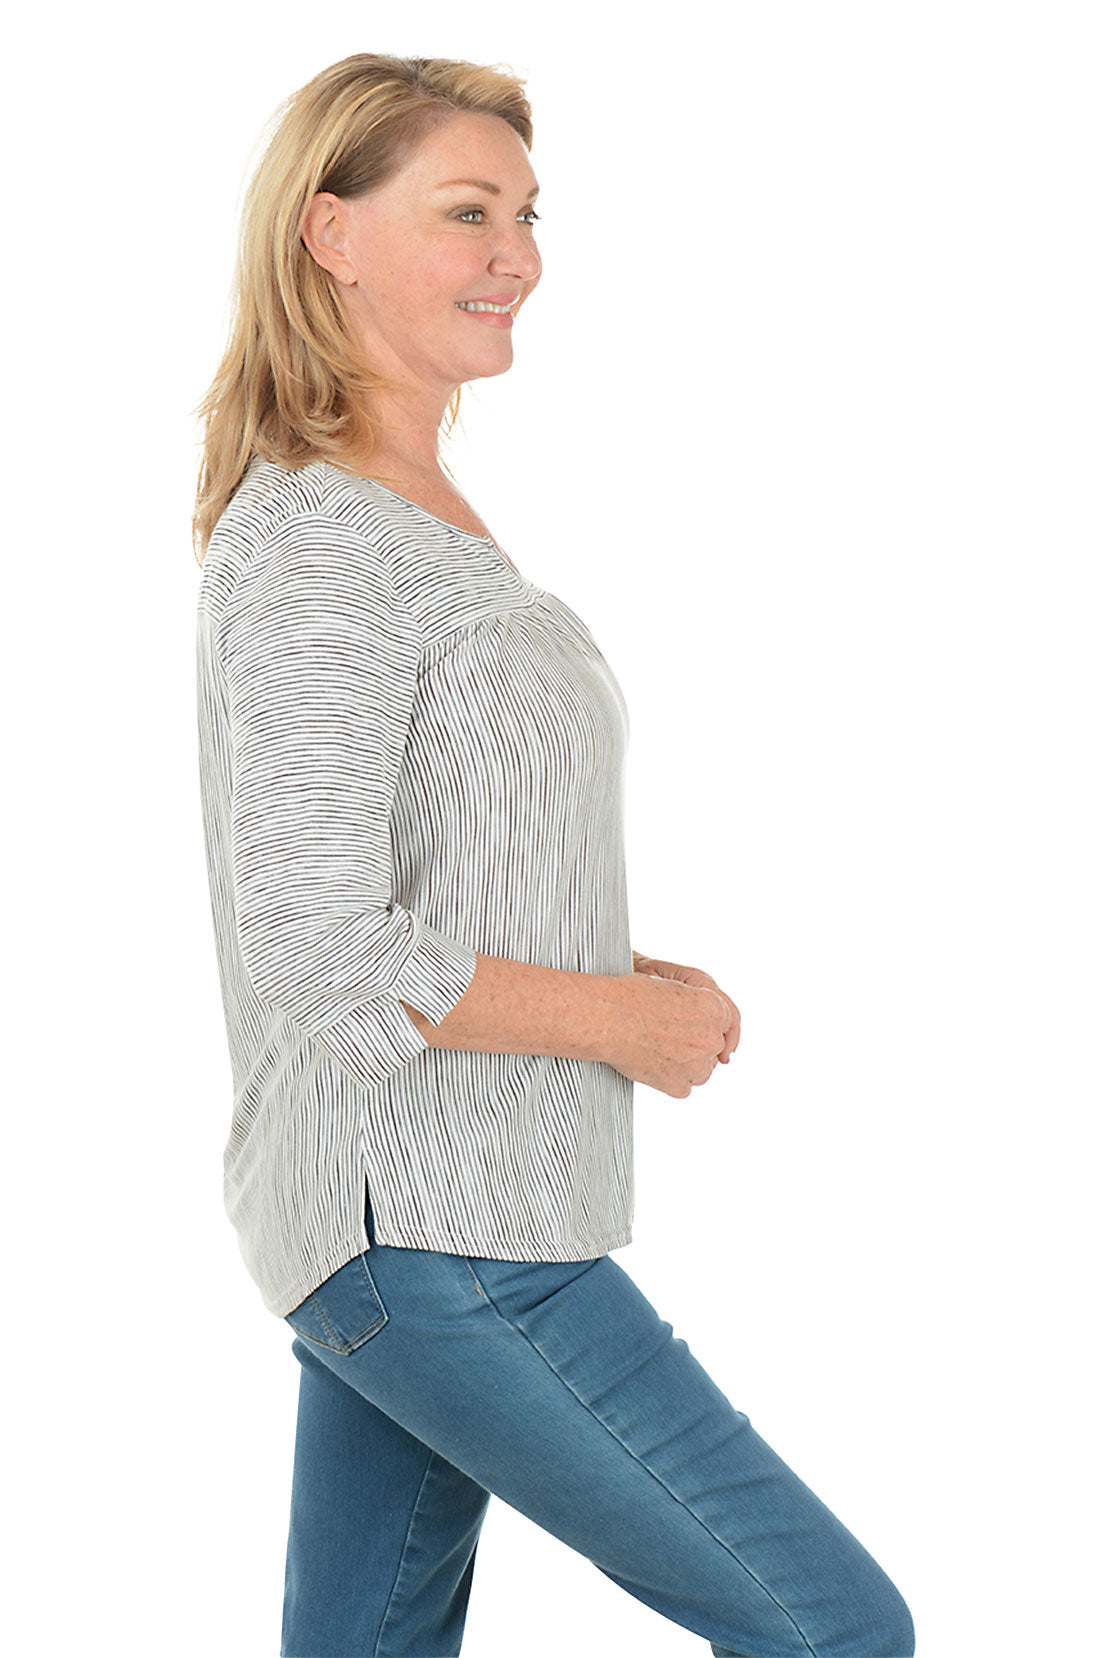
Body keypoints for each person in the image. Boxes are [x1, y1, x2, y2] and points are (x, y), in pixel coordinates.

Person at [192, 51, 917, 1658]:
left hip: (432, 1225)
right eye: (464, 212)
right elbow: (314, 935)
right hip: (437, 1230)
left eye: (525, 211)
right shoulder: (324, 538)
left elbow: (425, 867)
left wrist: (615, 971)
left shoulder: (415, 509)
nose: (514, 252)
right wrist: (614, 1024)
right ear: (331, 234)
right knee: (836, 1631)